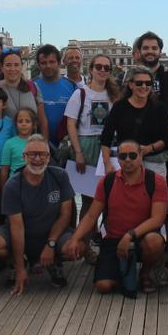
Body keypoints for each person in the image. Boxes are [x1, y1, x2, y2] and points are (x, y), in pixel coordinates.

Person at [65, 140, 168, 294]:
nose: (127, 160)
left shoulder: (156, 181)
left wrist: (130, 235)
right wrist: (75, 238)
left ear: (141, 156)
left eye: (133, 155)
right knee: (103, 286)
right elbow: (92, 215)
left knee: (154, 241)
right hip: (113, 239)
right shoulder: (107, 181)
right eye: (123, 156)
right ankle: (123, 271)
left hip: (141, 237)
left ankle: (145, 274)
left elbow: (157, 219)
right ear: (118, 158)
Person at [0, 134, 75, 295]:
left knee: (76, 246)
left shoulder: (60, 176)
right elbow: (17, 228)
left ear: (49, 156)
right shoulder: (13, 184)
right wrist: (19, 269)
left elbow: (66, 215)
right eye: (32, 154)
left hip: (50, 234)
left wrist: (51, 243)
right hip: (22, 235)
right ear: (24, 157)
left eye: (42, 154)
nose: (37, 159)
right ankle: (18, 263)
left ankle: (54, 263)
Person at [64, 54, 120, 217]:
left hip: (109, 147)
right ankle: (84, 239)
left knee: (111, 197)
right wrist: (79, 153)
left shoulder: (115, 96)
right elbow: (71, 124)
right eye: (98, 67)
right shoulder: (80, 94)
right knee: (89, 200)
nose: (102, 71)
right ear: (91, 70)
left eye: (106, 68)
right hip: (86, 147)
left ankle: (104, 238)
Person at [100, 67, 168, 179]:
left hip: (153, 162)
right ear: (131, 85)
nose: (144, 86)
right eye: (139, 83)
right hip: (126, 162)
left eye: (148, 83)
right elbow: (106, 137)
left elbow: (167, 138)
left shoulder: (160, 107)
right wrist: (107, 164)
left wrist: (149, 148)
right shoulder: (119, 107)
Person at [135, 31, 168, 183]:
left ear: (160, 51)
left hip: (166, 142)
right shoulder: (132, 76)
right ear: (140, 51)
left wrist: (158, 139)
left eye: (154, 48)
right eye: (146, 48)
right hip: (137, 143)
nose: (150, 51)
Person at [0, 50, 50, 140]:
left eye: (16, 65)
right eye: (8, 65)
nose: (12, 69)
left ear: (21, 67)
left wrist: (45, 143)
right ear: (2, 67)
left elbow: (42, 121)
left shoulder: (33, 87)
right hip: (4, 145)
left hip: (31, 145)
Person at [34, 44, 78, 148]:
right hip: (39, 144)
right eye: (43, 63)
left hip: (67, 145)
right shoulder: (32, 86)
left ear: (59, 63)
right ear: (39, 65)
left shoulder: (72, 86)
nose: (48, 66)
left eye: (52, 62)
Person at [0, 106, 36, 182]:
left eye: (27, 121)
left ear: (34, 124)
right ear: (15, 124)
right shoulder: (9, 143)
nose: (23, 124)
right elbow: (4, 170)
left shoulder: (39, 143)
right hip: (15, 184)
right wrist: (4, 190)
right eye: (20, 121)